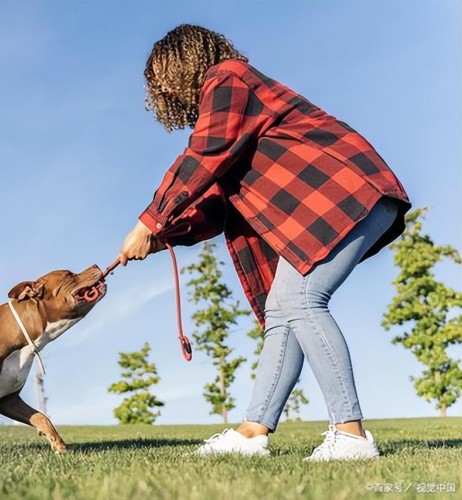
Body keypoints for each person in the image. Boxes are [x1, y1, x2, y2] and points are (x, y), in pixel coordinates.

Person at [118, 24, 410, 461]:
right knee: (282, 309)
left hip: (346, 192)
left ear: (184, 63)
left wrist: (149, 219)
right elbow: (216, 205)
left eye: (164, 76)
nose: (163, 90)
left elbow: (205, 153)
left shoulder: (229, 79)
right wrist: (163, 235)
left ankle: (351, 435)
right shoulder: (229, 107)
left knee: (301, 300)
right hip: (329, 205)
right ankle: (253, 432)